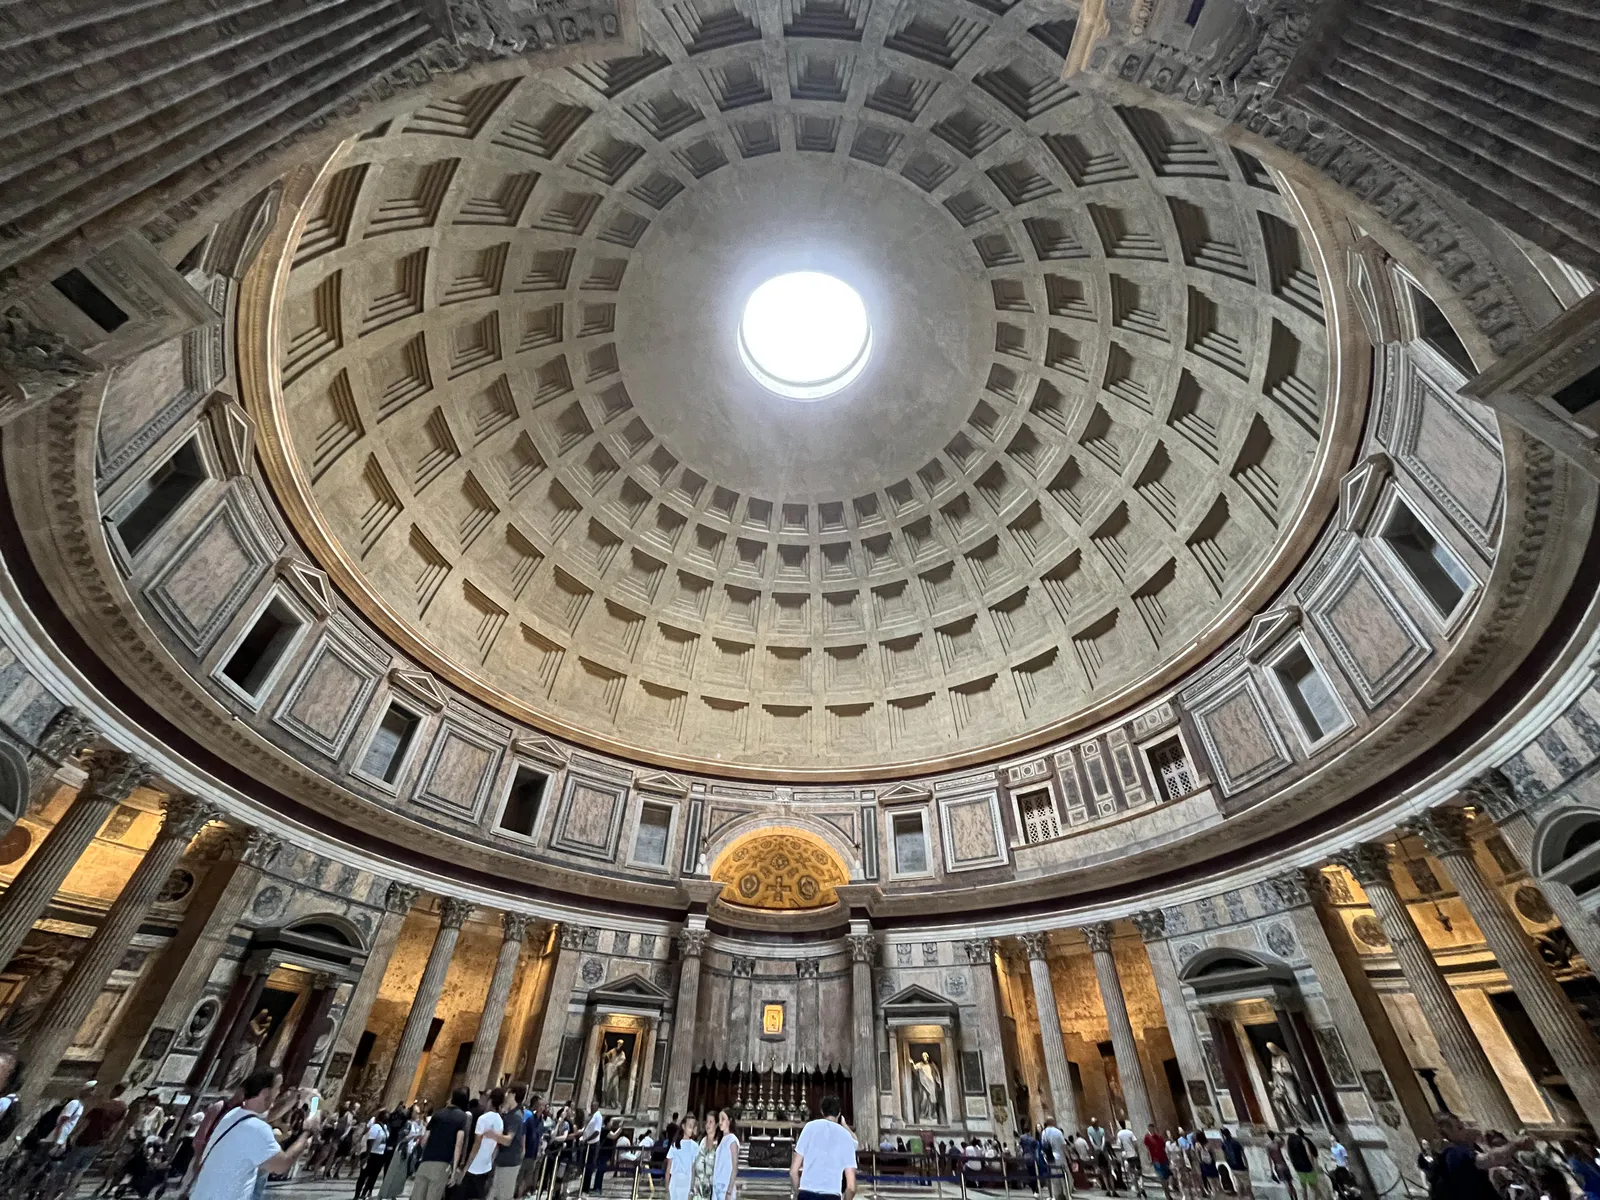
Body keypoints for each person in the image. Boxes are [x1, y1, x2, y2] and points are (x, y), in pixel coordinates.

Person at [190, 1068, 320, 1200]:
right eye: (278, 1088)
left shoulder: (233, 1116)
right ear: (266, 1092)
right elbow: (281, 1165)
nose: (279, 1093)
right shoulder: (257, 1128)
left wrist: (295, 1098)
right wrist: (306, 1132)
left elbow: (269, 1115)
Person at [62, 1083, 129, 1194]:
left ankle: (57, 1191)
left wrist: (73, 1135)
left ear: (113, 1090)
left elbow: (86, 1123)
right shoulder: (123, 1108)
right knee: (81, 1169)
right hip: (99, 1142)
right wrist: (109, 1139)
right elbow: (118, 1126)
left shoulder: (102, 1106)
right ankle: (68, 1192)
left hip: (86, 1138)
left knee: (68, 1167)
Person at [791, 1096, 857, 1200]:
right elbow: (851, 1187)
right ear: (839, 1113)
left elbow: (793, 1171)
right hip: (831, 1195)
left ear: (822, 1111)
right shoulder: (846, 1136)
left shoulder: (809, 1128)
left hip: (806, 1194)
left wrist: (797, 1193)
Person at [411, 1087, 470, 1200]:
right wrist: (454, 1170)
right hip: (442, 1165)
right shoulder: (462, 1117)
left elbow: (424, 1140)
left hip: (426, 1161)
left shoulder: (438, 1114)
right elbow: (459, 1144)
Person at [463, 1087, 514, 1200]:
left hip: (474, 1166)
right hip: (486, 1164)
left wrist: (466, 1165)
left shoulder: (483, 1118)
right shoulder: (500, 1121)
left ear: (490, 1100)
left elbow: (477, 1144)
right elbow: (496, 1146)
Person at [493, 1085, 528, 1200]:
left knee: (503, 1195)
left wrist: (490, 1134)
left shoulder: (515, 1116)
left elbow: (508, 1140)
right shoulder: (512, 1113)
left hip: (509, 1162)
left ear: (513, 1095)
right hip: (504, 1160)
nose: (506, 1096)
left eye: (508, 1093)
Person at [355, 1109, 390, 1199]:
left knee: (373, 1176)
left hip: (380, 1154)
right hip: (371, 1153)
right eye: (386, 1116)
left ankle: (365, 1193)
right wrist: (367, 1155)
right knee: (363, 1175)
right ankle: (357, 1195)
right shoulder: (376, 1127)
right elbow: (370, 1141)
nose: (388, 1117)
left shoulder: (385, 1127)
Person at [666, 1115, 701, 1200]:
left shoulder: (695, 1146)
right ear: (683, 1126)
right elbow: (668, 1170)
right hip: (674, 1184)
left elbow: (693, 1170)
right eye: (689, 1126)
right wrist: (667, 1190)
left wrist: (691, 1190)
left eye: (693, 1126)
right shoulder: (675, 1145)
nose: (691, 1129)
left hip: (687, 1185)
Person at [714, 1110, 741, 1200]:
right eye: (719, 1120)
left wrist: (729, 1191)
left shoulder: (732, 1139)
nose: (720, 1122)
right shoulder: (722, 1139)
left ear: (729, 1120)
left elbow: (735, 1166)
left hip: (725, 1187)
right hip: (717, 1185)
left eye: (723, 1119)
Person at [581, 1104, 607, 1193]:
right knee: (585, 1165)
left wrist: (587, 1140)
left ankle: (585, 1188)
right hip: (588, 1143)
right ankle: (584, 1186)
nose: (591, 1107)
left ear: (597, 1107)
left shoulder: (598, 1116)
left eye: (593, 1106)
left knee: (589, 1166)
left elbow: (596, 1132)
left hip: (592, 1144)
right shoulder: (592, 1116)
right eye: (591, 1105)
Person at [1285, 1129, 1318, 1200]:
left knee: (1304, 1189)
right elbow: (1309, 1154)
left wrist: (1293, 1162)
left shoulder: (1289, 1140)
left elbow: (1288, 1153)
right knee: (1313, 1188)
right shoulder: (1304, 1140)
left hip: (1298, 1167)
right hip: (1308, 1167)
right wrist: (1312, 1165)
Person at [1041, 1118, 1070, 1198]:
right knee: (1064, 1177)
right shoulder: (1058, 1132)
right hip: (1060, 1157)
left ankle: (1056, 1195)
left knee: (1054, 1178)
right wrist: (1069, 1157)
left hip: (1049, 1158)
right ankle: (1066, 1194)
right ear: (1053, 1122)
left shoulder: (1044, 1132)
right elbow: (1064, 1146)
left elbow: (1043, 1145)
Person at [1218, 1129, 1250, 1198]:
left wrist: (1230, 1165)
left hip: (1233, 1167)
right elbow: (1243, 1156)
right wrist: (1247, 1166)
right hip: (1241, 1167)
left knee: (1238, 1185)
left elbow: (1225, 1157)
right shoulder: (1236, 1143)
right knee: (1248, 1188)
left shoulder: (1224, 1144)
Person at [1116, 1121, 1144, 1198]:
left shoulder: (1119, 1134)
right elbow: (1135, 1143)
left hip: (1128, 1156)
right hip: (1134, 1154)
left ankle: (1137, 1189)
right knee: (1139, 1171)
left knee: (1132, 1172)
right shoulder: (1130, 1132)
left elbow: (1120, 1146)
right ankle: (1141, 1187)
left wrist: (1123, 1154)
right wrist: (1137, 1153)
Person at [1087, 1119, 1114, 1195]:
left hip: (1099, 1151)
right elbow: (1102, 1139)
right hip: (1102, 1151)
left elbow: (1092, 1140)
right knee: (1107, 1173)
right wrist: (1101, 1147)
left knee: (1106, 1173)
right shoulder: (1100, 1129)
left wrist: (1096, 1148)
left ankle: (1109, 1190)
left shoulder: (1090, 1130)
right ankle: (1111, 1189)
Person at [1265, 1133, 1296, 1200]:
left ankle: (1291, 1198)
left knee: (1286, 1184)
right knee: (1290, 1184)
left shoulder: (1268, 1146)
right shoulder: (1277, 1143)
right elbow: (1283, 1141)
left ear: (1268, 1136)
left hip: (1278, 1166)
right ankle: (1296, 1198)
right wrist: (1279, 1135)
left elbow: (1269, 1159)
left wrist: (1271, 1171)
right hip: (1284, 1165)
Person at [1144, 1126, 1171, 1200]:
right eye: (1150, 1129)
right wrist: (1149, 1159)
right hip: (1156, 1160)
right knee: (1161, 1176)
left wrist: (1167, 1158)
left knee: (1166, 1176)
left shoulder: (1159, 1137)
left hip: (1163, 1158)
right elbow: (1147, 1149)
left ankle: (1167, 1189)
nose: (1152, 1130)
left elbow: (1163, 1148)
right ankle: (1167, 1193)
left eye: (1153, 1129)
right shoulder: (1147, 1138)